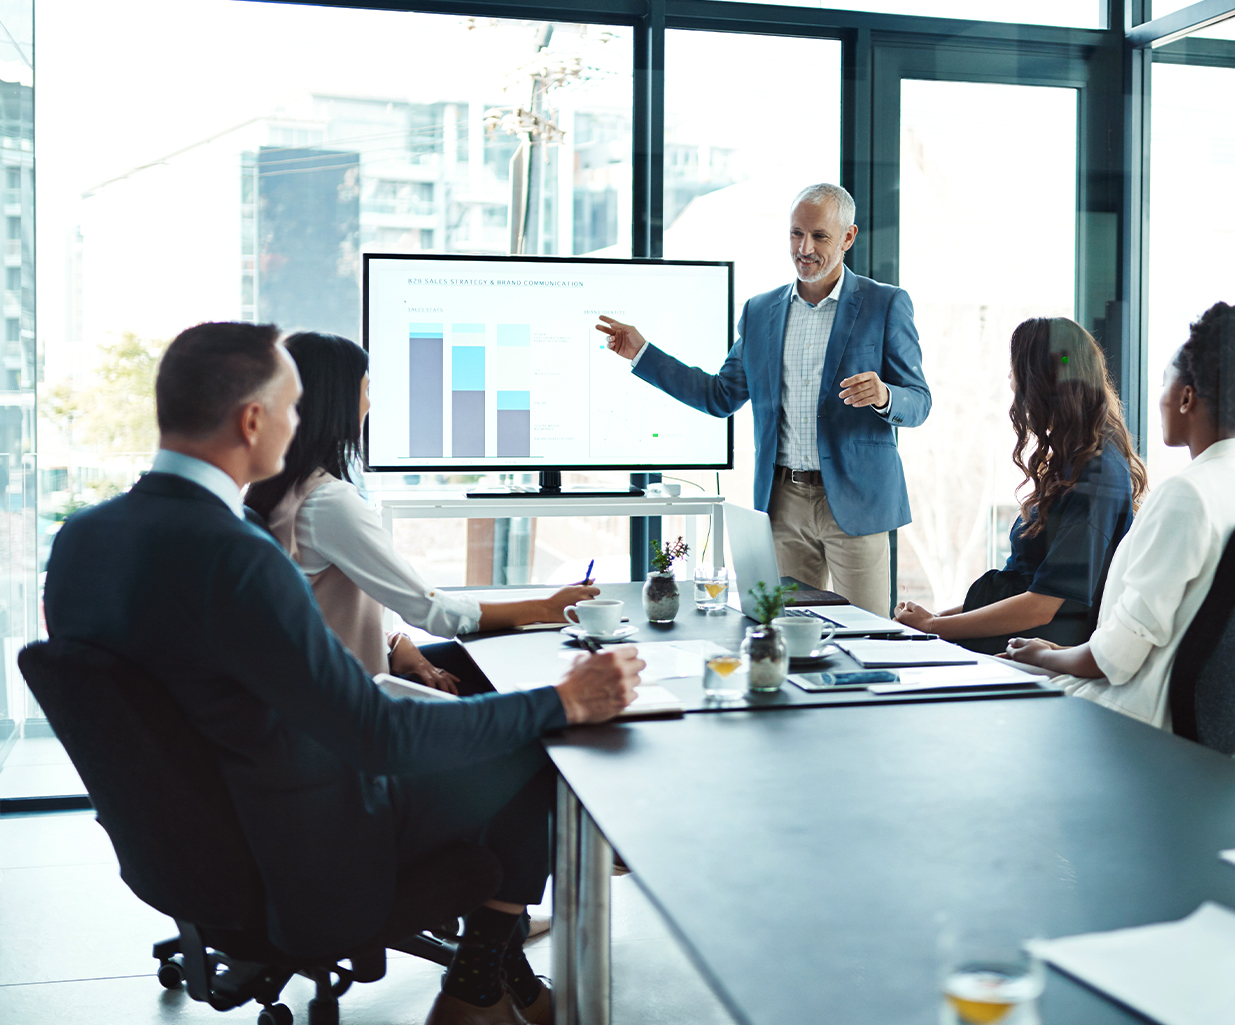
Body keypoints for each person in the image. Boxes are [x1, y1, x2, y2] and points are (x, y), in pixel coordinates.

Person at [43, 322, 643, 1025]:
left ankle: (493, 978)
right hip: (307, 845)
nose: (300, 426)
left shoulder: (82, 538)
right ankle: (475, 994)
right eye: (292, 409)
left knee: (493, 723)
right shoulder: (236, 557)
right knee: (541, 747)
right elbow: (377, 736)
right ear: (254, 419)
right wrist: (563, 700)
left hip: (193, 844)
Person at [594, 182, 930, 615]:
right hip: (782, 504)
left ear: (848, 237)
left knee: (866, 634)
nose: (804, 248)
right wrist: (643, 352)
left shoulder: (885, 304)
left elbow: (919, 401)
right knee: (786, 632)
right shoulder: (759, 311)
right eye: (796, 233)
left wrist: (885, 395)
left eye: (820, 236)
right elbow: (719, 396)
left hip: (857, 502)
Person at [244, 331, 598, 695]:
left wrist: (395, 642)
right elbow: (434, 612)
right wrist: (547, 607)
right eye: (366, 392)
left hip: (324, 684)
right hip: (356, 702)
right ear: (337, 402)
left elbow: (320, 612)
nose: (369, 405)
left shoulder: (278, 490)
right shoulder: (328, 503)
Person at [1007, 302, 1235, 729]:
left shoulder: (1187, 496)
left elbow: (1115, 660)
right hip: (1167, 713)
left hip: (1126, 716)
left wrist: (1045, 655)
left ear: (1186, 396)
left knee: (969, 688)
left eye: (1164, 382)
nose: (1159, 396)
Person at [892, 318, 1143, 654]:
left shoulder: (1097, 474)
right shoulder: (1074, 460)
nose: (1011, 381)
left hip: (1036, 646)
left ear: (1041, 383)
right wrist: (932, 621)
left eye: (1016, 372)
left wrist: (935, 627)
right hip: (1020, 636)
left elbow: (1042, 605)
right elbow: (1020, 589)